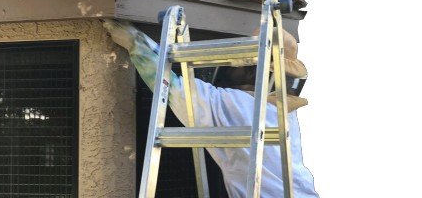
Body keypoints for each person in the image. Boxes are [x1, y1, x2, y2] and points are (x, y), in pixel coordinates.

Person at [103, 20, 319, 198]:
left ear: (253, 73)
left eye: (237, 66)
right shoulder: (284, 111)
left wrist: (134, 40)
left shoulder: (234, 103)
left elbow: (175, 89)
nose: (229, 70)